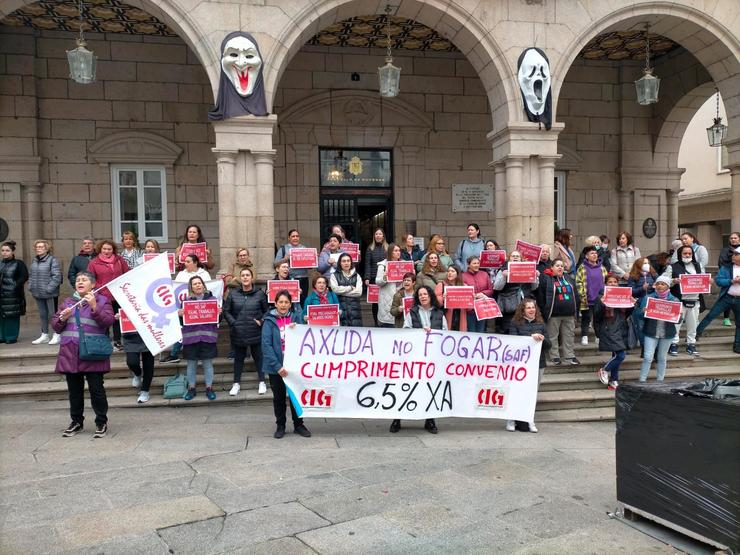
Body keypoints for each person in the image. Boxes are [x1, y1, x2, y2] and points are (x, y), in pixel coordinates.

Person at [51, 271, 115, 438]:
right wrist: (62, 319)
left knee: (96, 390)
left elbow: (108, 321)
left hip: (93, 352)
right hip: (70, 352)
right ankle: (76, 421)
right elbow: (56, 327)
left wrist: (94, 306)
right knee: (74, 391)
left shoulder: (102, 300)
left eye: (84, 280)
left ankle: (101, 421)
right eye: (78, 280)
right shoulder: (68, 302)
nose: (80, 282)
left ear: (93, 284)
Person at [395, 285, 446, 434]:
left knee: (430, 389)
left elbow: (445, 333)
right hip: (414, 357)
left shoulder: (439, 314)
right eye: (420, 295)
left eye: (425, 294)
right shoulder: (412, 313)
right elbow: (405, 330)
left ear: (430, 296)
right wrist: (419, 332)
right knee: (406, 388)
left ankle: (430, 420)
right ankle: (397, 419)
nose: (423, 296)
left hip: (432, 358)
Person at [261, 290, 310, 439]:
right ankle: (280, 425)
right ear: (275, 304)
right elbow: (266, 345)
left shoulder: (295, 318)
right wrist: (278, 367)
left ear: (290, 304)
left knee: (296, 396)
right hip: (276, 367)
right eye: (280, 302)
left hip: (294, 367)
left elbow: (304, 340)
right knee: (279, 398)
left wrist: (299, 329)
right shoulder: (269, 321)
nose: (283, 305)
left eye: (286, 302)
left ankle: (299, 425)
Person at [223, 267, 268, 396]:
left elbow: (266, 311)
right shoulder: (233, 294)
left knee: (259, 357)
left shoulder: (259, 294)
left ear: (251, 277)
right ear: (240, 278)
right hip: (239, 332)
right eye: (243, 275)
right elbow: (226, 311)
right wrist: (233, 323)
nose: (245, 277)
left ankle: (262, 382)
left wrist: (261, 320)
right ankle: (236, 383)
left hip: (255, 331)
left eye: (248, 275)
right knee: (238, 359)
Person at [506, 298, 549, 433]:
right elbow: (514, 341)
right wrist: (531, 337)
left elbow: (549, 345)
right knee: (516, 391)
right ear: (523, 310)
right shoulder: (515, 323)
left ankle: (530, 419)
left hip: (538, 364)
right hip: (520, 365)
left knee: (532, 393)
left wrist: (542, 339)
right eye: (529, 308)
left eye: (533, 307)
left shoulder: (541, 324)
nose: (532, 310)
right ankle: (511, 418)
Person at [121, 242, 156, 404]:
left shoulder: (152, 289)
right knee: (132, 361)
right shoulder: (128, 286)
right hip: (131, 333)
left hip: (148, 330)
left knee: (149, 362)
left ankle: (145, 391)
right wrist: (118, 315)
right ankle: (136, 373)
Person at [181, 276, 219, 401]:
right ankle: (191, 388)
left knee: (207, 364)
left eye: (199, 283)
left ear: (203, 285)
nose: (197, 285)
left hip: (207, 338)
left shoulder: (212, 300)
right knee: (191, 365)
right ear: (191, 287)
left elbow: (218, 320)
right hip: (191, 339)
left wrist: (220, 313)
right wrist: (179, 315)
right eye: (194, 284)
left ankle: (209, 388)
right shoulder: (186, 302)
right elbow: (182, 322)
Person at [696, 247, 740, 354]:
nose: (733, 256)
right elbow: (719, 281)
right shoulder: (727, 267)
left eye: (736, 254)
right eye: (733, 254)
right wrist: (732, 281)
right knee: (711, 315)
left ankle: (737, 345)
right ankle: (695, 334)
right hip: (727, 297)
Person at [634, 276, 679, 382]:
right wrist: (642, 311)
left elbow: (678, 320)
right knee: (648, 357)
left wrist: (679, 315)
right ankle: (642, 380)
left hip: (667, 333)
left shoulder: (674, 299)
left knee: (662, 358)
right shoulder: (648, 298)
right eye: (658, 283)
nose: (660, 286)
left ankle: (660, 381)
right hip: (651, 332)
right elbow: (639, 316)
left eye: (663, 284)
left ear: (668, 286)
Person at [87, 239, 128, 350]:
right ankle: (104, 340)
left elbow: (127, 273)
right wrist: (97, 289)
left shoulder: (120, 260)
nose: (106, 251)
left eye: (109, 249)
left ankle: (117, 341)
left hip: (118, 295)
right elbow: (90, 279)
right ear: (100, 249)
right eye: (104, 249)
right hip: (102, 296)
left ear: (113, 250)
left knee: (117, 318)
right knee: (104, 319)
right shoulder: (94, 262)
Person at [663, 244, 704, 356]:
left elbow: (704, 279)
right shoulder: (673, 267)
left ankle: (691, 344)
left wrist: (709, 282)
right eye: (685, 253)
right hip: (678, 300)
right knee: (676, 325)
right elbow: (663, 282)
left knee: (693, 325)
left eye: (689, 253)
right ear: (680, 254)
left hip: (694, 300)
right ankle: (673, 344)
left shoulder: (698, 266)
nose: (687, 255)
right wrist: (673, 281)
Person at [537, 260, 580, 365]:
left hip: (569, 313)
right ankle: (554, 356)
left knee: (569, 335)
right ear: (552, 267)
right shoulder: (546, 278)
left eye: (561, 266)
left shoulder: (569, 278)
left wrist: (576, 311)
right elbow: (541, 296)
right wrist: (544, 311)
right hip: (553, 314)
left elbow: (575, 294)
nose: (560, 267)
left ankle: (569, 356)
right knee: (553, 336)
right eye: (557, 266)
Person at [593, 274, 632, 390]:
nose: (613, 284)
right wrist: (603, 304)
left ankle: (614, 381)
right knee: (620, 355)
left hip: (621, 328)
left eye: (615, 282)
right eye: (610, 282)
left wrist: (632, 304)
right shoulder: (601, 296)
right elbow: (597, 315)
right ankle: (604, 370)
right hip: (609, 328)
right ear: (606, 284)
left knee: (615, 355)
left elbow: (627, 314)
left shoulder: (623, 295)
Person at [493, 251, 538, 335]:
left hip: (525, 305)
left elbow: (534, 287)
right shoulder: (503, 269)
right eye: (513, 256)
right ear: (509, 259)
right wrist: (503, 276)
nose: (515, 257)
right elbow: (497, 287)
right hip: (509, 306)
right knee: (508, 329)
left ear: (521, 259)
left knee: (524, 330)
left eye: (517, 256)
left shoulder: (528, 268)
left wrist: (535, 276)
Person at [29, 239, 63, 345]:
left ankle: (57, 334)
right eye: (37, 247)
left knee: (53, 314)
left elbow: (57, 276)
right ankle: (45, 335)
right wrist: (31, 286)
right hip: (37, 292)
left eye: (41, 247)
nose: (38, 249)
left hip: (50, 293)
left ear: (46, 248)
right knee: (43, 314)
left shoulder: (52, 260)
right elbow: (31, 275)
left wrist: (49, 289)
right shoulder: (34, 261)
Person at [576, 246, 608, 345]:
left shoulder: (602, 268)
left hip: (599, 299)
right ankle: (584, 336)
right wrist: (582, 294)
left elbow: (606, 282)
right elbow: (578, 282)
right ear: (586, 256)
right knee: (586, 318)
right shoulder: (582, 267)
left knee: (598, 319)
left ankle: (598, 336)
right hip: (587, 299)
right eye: (592, 253)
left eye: (595, 253)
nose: (594, 255)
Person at [0, 241, 29, 344]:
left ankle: (11, 336)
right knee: (1, 316)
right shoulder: (1, 263)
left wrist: (14, 286)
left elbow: (24, 276)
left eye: (7, 250)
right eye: (3, 250)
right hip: (1, 295)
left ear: (12, 252)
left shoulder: (18, 263)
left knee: (11, 316)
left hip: (13, 295)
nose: (4, 253)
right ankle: (2, 336)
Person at [275, 230, 309, 302]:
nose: (295, 238)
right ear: (289, 238)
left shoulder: (305, 249)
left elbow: (310, 267)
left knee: (303, 301)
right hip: (290, 279)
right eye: (293, 236)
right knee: (291, 301)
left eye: (297, 236)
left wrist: (313, 260)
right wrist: (285, 259)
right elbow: (275, 264)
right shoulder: (283, 249)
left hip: (304, 279)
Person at [330, 253, 363, 327]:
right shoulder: (334, 275)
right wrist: (350, 288)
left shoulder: (357, 276)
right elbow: (335, 290)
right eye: (344, 261)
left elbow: (358, 292)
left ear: (351, 262)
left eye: (348, 261)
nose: (346, 263)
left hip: (355, 312)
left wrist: (341, 292)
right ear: (340, 263)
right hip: (342, 310)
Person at [375, 243, 403, 328]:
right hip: (387, 300)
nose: (398, 253)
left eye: (399, 251)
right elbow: (378, 282)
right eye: (395, 251)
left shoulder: (404, 264)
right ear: (390, 252)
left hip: (400, 299)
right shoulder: (382, 265)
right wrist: (385, 277)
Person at [716, 232, 739, 326]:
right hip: (729, 276)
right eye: (731, 238)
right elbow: (721, 262)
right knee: (727, 296)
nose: (733, 239)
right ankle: (726, 318)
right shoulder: (725, 250)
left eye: (735, 238)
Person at [435, 265, 467, 332]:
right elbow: (435, 302)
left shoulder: (464, 286)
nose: (450, 273)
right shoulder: (441, 285)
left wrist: (471, 299)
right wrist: (443, 299)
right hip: (446, 316)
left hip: (460, 318)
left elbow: (469, 308)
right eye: (448, 271)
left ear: (457, 274)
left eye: (452, 271)